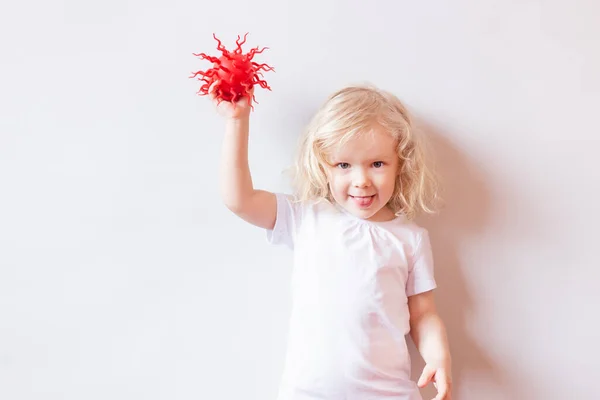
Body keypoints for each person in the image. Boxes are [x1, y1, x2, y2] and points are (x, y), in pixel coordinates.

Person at [210, 83, 452, 400]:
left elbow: (423, 313)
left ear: (399, 164)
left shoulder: (410, 238)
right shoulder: (306, 217)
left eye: (377, 164)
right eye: (344, 165)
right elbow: (238, 199)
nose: (361, 180)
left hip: (387, 393)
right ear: (324, 166)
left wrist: (439, 357)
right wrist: (237, 121)